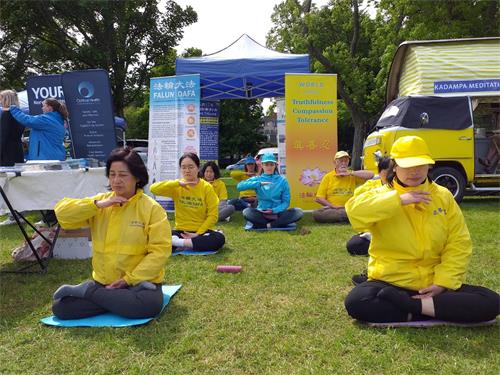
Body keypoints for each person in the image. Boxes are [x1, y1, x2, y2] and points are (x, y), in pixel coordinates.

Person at [344, 136, 499, 323]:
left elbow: (459, 243)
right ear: (395, 166)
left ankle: (411, 308)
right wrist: (399, 200)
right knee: (356, 302)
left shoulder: (443, 196)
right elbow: (355, 213)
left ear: (429, 166)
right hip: (391, 281)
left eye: (421, 165)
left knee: (491, 302)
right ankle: (434, 310)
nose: (415, 171)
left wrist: (442, 283)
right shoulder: (381, 193)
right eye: (407, 166)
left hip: (433, 284)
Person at [52, 147, 171, 320]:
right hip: (104, 283)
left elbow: (160, 251)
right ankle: (114, 300)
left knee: (148, 306)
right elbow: (62, 213)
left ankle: (90, 292)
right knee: (61, 308)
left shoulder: (152, 209)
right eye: (112, 174)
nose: (116, 180)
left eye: (123, 175)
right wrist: (98, 205)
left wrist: (128, 279)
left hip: (138, 283)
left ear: (137, 177)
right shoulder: (102, 202)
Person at [150, 153, 225, 252]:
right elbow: (153, 189)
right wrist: (177, 183)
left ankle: (178, 243)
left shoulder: (206, 187)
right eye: (183, 167)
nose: (187, 170)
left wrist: (198, 233)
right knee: (157, 239)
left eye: (191, 167)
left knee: (219, 239)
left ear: (198, 168)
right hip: (181, 231)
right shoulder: (177, 186)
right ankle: (190, 243)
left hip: (200, 232)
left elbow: (213, 215)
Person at [237, 153, 303, 229]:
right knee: (247, 212)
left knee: (298, 212)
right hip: (262, 212)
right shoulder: (258, 179)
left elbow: (286, 202)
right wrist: (258, 184)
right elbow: (240, 186)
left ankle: (268, 225)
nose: (269, 167)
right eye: (266, 164)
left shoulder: (282, 181)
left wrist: (274, 210)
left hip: (278, 213)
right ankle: (276, 224)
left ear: (275, 166)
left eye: (271, 164)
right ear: (262, 165)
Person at [346, 157, 392, 257]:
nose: (391, 174)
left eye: (394, 171)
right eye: (388, 171)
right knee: (354, 245)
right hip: (373, 230)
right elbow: (357, 209)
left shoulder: (403, 187)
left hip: (396, 230)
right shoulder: (369, 187)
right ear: (380, 173)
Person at [313, 151, 374, 223]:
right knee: (317, 213)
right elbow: (319, 198)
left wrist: (351, 173)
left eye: (346, 161)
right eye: (341, 161)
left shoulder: (352, 174)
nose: (343, 163)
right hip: (333, 209)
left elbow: (371, 175)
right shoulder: (328, 177)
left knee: (363, 208)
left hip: (349, 207)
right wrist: (332, 206)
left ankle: (347, 217)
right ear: (335, 162)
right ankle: (351, 217)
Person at [0, 90, 25, 166]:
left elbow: (3, 136)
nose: (0, 102)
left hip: (7, 154)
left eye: (1, 99)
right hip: (18, 151)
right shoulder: (20, 114)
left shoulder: (7, 114)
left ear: (6, 99)